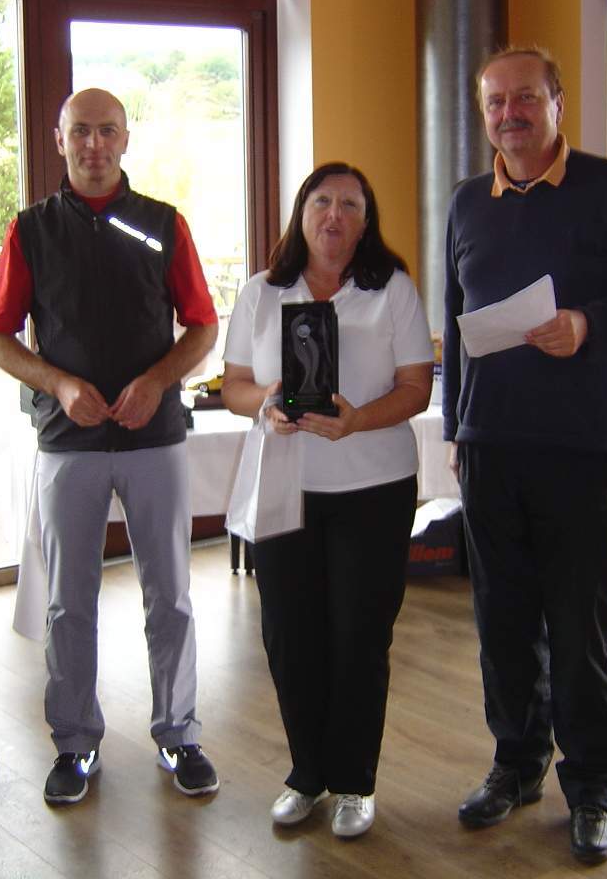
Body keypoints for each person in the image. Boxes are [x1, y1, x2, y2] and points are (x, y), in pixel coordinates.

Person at [442, 48, 607, 865]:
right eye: (495, 102)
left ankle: (592, 789)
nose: (509, 114)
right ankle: (515, 766)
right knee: (502, 624)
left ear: (557, 103)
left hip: (582, 449)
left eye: (524, 98)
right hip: (490, 447)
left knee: (582, 630)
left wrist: (586, 325)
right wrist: (457, 429)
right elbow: (456, 322)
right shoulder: (466, 203)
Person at [0, 88, 220, 806]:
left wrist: (157, 380)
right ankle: (75, 743)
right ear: (59, 140)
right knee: (68, 602)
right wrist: (56, 383)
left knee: (170, 595)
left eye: (107, 131)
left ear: (125, 139)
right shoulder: (30, 231)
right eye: (80, 132)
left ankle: (179, 734)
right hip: (68, 443)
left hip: (155, 436)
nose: (94, 145)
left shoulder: (163, 224)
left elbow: (203, 327)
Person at [221, 162, 434, 839]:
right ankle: (306, 772)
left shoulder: (391, 288)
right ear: (302, 212)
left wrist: (357, 419)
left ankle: (354, 782)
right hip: (284, 484)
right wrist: (265, 404)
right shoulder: (261, 292)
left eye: (350, 205)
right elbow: (233, 385)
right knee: (289, 635)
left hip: (374, 488)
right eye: (322, 201)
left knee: (360, 636)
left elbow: (417, 386)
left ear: (366, 222)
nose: (334, 215)